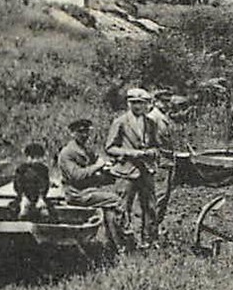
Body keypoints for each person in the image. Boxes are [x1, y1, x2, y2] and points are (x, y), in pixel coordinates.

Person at [105, 87, 166, 247]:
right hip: (126, 170)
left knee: (150, 207)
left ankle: (149, 240)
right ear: (128, 103)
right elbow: (110, 148)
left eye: (141, 103)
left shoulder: (150, 123)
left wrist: (152, 152)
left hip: (146, 170)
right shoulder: (120, 122)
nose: (138, 106)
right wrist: (132, 153)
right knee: (122, 207)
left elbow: (156, 145)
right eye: (134, 103)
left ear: (146, 104)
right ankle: (123, 244)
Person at [57, 118, 123, 248]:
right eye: (80, 132)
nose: (85, 135)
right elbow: (77, 176)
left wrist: (107, 167)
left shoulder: (85, 149)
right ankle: (123, 239)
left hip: (87, 190)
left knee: (110, 204)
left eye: (87, 132)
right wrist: (98, 166)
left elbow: (97, 160)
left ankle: (115, 243)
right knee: (115, 200)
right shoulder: (67, 153)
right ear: (72, 133)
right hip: (77, 194)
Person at [12, 143, 52, 220]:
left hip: (38, 197)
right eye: (33, 158)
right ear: (28, 157)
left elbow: (44, 185)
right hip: (24, 196)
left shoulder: (43, 170)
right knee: (19, 209)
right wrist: (23, 196)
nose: (36, 160)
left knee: (46, 212)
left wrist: (41, 197)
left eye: (38, 158)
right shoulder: (22, 169)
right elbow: (18, 184)